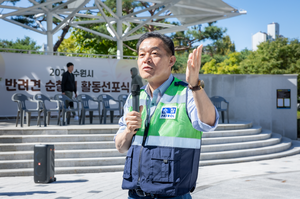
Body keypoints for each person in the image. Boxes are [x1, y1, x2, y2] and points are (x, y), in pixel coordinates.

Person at [115, 32, 219, 199]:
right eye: (142, 54)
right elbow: (121, 147)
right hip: (135, 194)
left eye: (154, 54)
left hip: (172, 194)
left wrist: (194, 85)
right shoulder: (135, 96)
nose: (146, 59)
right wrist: (128, 131)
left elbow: (208, 123)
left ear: (171, 61)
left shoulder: (187, 92)